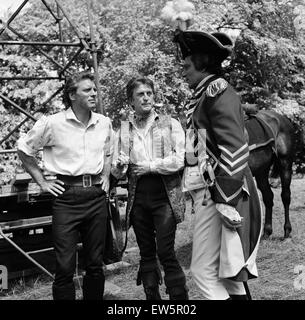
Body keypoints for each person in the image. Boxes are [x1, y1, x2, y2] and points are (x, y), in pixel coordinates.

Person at [173, 30, 262, 300]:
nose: (183, 72)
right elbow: (196, 149)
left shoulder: (217, 92)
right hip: (210, 189)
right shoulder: (202, 96)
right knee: (230, 274)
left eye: (187, 66)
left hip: (222, 189)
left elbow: (234, 148)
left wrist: (225, 199)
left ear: (202, 62)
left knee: (202, 272)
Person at [17, 71, 113, 300]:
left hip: (96, 196)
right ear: (72, 95)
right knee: (64, 268)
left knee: (96, 264)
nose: (94, 93)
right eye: (87, 90)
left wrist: (107, 176)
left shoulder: (104, 123)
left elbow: (108, 152)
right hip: (66, 199)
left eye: (94, 89)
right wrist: (42, 182)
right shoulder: (52, 123)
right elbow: (24, 149)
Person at [111, 77, 188, 300]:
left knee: (165, 251)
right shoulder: (123, 130)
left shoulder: (170, 123)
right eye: (140, 94)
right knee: (146, 254)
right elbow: (118, 172)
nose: (146, 98)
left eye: (149, 93)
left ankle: (179, 301)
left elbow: (179, 160)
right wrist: (119, 167)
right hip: (138, 198)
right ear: (130, 101)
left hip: (165, 196)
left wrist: (150, 167)